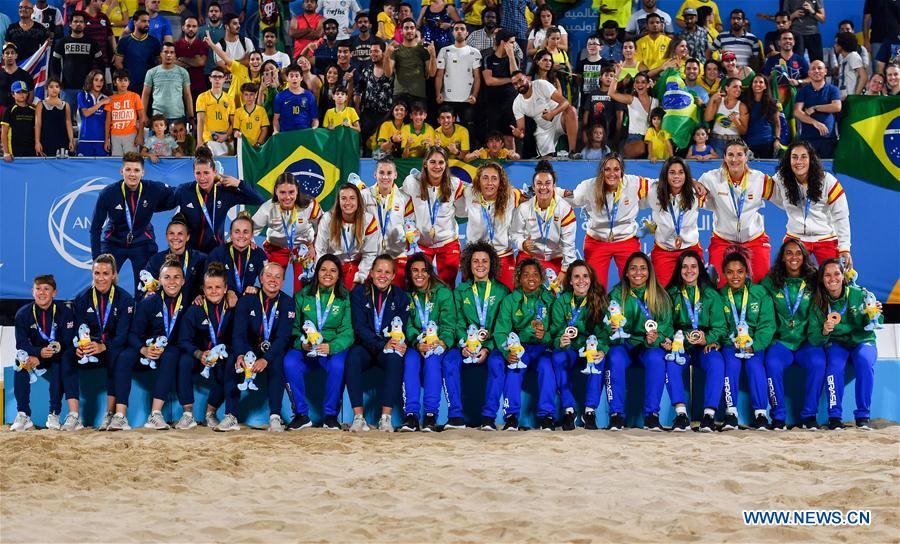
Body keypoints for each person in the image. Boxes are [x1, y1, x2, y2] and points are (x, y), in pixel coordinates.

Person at [61, 254, 135, 431]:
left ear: (113, 275)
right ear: (92, 274)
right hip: (88, 350)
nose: (101, 278)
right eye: (97, 273)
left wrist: (103, 346)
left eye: (105, 273)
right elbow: (75, 330)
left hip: (111, 347)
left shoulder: (125, 299)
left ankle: (111, 415)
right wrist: (78, 347)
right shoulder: (81, 298)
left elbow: (123, 335)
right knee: (66, 356)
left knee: (119, 356)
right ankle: (74, 416)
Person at [808, 259, 882, 431]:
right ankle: (834, 417)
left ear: (843, 276)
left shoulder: (860, 294)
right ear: (822, 279)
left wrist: (875, 313)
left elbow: (878, 321)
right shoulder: (818, 302)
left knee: (864, 361)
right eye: (827, 275)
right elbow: (813, 338)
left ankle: (863, 416)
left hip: (863, 340)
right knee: (834, 367)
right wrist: (824, 331)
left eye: (836, 273)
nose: (832, 278)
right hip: (837, 343)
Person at [759, 239, 825, 431]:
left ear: (805, 257)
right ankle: (778, 417)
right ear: (782, 257)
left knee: (818, 363)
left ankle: (809, 416)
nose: (793, 257)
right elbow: (756, 297)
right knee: (772, 364)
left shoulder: (814, 280)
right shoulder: (771, 282)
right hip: (781, 342)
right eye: (789, 253)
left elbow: (835, 291)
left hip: (807, 342)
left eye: (798, 253)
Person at [114, 256, 186, 430]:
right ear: (159, 280)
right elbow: (132, 334)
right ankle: (120, 415)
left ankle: (155, 415)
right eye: (167, 277)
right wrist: (143, 349)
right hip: (146, 350)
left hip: (170, 349)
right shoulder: (149, 302)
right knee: (124, 357)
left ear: (183, 281)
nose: (172, 282)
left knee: (171, 355)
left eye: (176, 277)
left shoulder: (190, 302)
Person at [283, 255, 353, 430]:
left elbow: (348, 332)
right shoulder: (302, 295)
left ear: (338, 275)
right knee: (290, 362)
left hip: (331, 347)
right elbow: (294, 328)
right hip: (307, 348)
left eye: (333, 271)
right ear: (316, 272)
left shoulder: (344, 297)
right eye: (323, 270)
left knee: (337, 366)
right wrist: (302, 344)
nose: (327, 274)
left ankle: (330, 416)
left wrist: (332, 347)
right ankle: (301, 414)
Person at [90, 152, 177, 293]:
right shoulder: (108, 193)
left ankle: (142, 313)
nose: (132, 174)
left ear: (143, 172)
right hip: (114, 242)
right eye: (128, 170)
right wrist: (96, 260)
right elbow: (95, 228)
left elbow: (177, 194)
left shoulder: (153, 188)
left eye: (136, 170)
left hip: (142, 242)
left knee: (147, 288)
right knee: (102, 283)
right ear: (121, 171)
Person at [605, 252, 673, 431]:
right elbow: (604, 323)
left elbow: (667, 326)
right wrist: (610, 328)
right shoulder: (616, 294)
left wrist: (656, 337)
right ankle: (616, 415)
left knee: (657, 358)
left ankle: (652, 415)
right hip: (624, 345)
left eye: (643, 268)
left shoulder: (660, 296)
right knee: (615, 357)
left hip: (648, 346)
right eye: (633, 268)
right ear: (626, 272)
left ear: (649, 272)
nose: (638, 272)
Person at [346, 255, 411, 432]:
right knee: (353, 357)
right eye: (379, 271)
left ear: (393, 276)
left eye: (387, 272)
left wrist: (401, 343)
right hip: (366, 346)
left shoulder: (401, 297)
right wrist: (383, 343)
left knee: (395, 358)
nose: (382, 275)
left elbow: (403, 327)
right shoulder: (359, 293)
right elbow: (359, 327)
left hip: (386, 348)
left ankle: (385, 418)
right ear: (371, 273)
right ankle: (358, 418)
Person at [696, 139, 774, 286]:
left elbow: (783, 197)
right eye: (730, 155)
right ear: (724, 157)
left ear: (746, 156)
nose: (734, 159)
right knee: (718, 284)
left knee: (763, 284)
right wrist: (693, 183)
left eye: (739, 155)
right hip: (723, 239)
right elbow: (695, 197)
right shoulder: (711, 178)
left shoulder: (759, 179)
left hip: (754, 239)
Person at [490, 258, 555, 431]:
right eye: (526, 275)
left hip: (543, 348)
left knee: (547, 368)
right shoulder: (511, 300)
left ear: (541, 278)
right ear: (519, 278)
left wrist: (546, 335)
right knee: (514, 367)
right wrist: (507, 352)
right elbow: (501, 331)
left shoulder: (550, 299)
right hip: (521, 347)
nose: (531, 278)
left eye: (535, 274)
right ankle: (511, 416)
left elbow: (558, 329)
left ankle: (546, 416)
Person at [665, 250, 727, 433]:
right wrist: (675, 340)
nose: (689, 271)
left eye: (693, 266)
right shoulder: (671, 294)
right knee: (672, 362)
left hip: (703, 347)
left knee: (716, 361)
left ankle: (708, 416)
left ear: (700, 269)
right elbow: (666, 325)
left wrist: (707, 338)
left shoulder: (711, 295)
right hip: (681, 346)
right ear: (679, 270)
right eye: (684, 267)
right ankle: (681, 415)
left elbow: (720, 327)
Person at [231, 262, 296, 432]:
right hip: (248, 348)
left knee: (277, 363)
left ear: (283, 281)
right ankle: (230, 415)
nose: (273, 280)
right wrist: (240, 355)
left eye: (278, 277)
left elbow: (283, 338)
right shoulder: (247, 300)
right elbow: (238, 333)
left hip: (273, 350)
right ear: (260, 278)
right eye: (268, 276)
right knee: (233, 363)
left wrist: (266, 359)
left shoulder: (288, 303)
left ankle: (275, 417)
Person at [570, 153, 650, 289]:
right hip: (597, 241)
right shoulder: (589, 186)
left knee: (636, 284)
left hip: (627, 240)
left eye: (616, 169)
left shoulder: (634, 183)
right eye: (607, 169)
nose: (612, 174)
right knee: (595, 288)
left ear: (622, 171)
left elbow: (660, 186)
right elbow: (569, 197)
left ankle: (633, 310)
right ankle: (597, 311)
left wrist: (691, 183)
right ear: (602, 170)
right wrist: (540, 192)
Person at [544, 259, 608, 431]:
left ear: (591, 279)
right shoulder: (561, 302)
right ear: (570, 281)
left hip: (588, 350)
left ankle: (590, 411)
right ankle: (569, 410)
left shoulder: (599, 301)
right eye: (577, 277)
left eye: (585, 276)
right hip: (571, 350)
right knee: (558, 356)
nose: (581, 281)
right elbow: (555, 332)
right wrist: (560, 341)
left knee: (597, 358)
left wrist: (601, 348)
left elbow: (604, 333)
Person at [399, 253, 459, 432]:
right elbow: (407, 324)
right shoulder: (407, 296)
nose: (419, 274)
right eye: (415, 270)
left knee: (432, 362)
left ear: (430, 273)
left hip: (438, 344)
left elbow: (449, 325)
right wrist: (417, 342)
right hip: (417, 345)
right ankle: (411, 415)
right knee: (410, 361)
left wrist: (442, 342)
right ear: (409, 274)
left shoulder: (443, 293)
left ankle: (430, 416)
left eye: (424, 271)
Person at [718, 247, 775, 431]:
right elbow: (718, 324)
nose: (735, 276)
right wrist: (730, 341)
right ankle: (731, 413)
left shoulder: (759, 293)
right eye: (730, 272)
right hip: (730, 345)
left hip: (753, 345)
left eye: (740, 272)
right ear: (724, 274)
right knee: (731, 366)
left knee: (755, 366)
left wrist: (754, 345)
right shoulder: (720, 296)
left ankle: (760, 414)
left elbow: (767, 324)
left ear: (747, 272)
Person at [769, 141, 851, 266]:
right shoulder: (781, 179)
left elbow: (841, 216)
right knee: (787, 278)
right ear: (789, 160)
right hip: (795, 237)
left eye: (803, 157)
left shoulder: (828, 181)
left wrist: (844, 248)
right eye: (794, 157)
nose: (799, 161)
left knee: (833, 276)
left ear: (811, 159)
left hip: (825, 238)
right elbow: (763, 189)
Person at [10, 274, 75, 432]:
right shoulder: (23, 314)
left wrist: (49, 353)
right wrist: (38, 353)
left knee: (61, 362)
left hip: (57, 355)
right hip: (35, 356)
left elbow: (67, 340)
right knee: (20, 364)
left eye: (46, 289)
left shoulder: (65, 312)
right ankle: (23, 415)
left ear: (55, 293)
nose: (42, 292)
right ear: (32, 292)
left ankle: (54, 414)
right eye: (38, 289)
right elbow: (21, 343)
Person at [176, 253, 233, 431]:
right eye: (209, 288)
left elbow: (239, 337)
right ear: (203, 289)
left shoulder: (233, 308)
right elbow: (183, 340)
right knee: (183, 361)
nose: (214, 291)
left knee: (229, 365)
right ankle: (187, 414)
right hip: (200, 356)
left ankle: (210, 414)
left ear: (226, 289)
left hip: (223, 355)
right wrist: (199, 354)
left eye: (218, 287)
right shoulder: (195, 309)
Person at [174, 147, 263, 254]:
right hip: (190, 253)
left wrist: (239, 183)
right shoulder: (184, 190)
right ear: (193, 173)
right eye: (198, 173)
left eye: (206, 173)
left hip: (215, 253)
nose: (202, 178)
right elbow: (163, 203)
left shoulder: (224, 192)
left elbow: (258, 199)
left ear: (214, 172)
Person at [401, 146, 467, 285]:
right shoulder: (411, 182)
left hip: (447, 242)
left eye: (441, 162)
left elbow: (462, 212)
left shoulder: (455, 184)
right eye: (433, 162)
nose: (437, 166)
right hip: (420, 242)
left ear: (446, 164)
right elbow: (402, 208)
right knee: (418, 284)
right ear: (425, 163)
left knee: (448, 285)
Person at [251, 173, 321, 294]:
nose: (287, 197)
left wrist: (314, 246)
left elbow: (323, 227)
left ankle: (300, 311)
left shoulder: (309, 205)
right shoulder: (268, 208)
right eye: (282, 192)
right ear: (276, 191)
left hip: (303, 248)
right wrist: (250, 242)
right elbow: (250, 229)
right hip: (276, 248)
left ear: (297, 191)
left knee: (303, 287)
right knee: (271, 284)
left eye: (291, 192)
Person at [644, 157, 704, 287]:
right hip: (664, 250)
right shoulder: (654, 190)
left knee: (694, 290)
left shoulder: (696, 192)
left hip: (690, 249)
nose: (676, 176)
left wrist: (694, 182)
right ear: (665, 174)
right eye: (672, 172)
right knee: (664, 291)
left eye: (681, 172)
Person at [510, 160, 576, 278]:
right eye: (539, 183)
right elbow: (515, 234)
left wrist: (565, 271)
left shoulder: (565, 210)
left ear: (554, 186)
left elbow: (569, 245)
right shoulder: (524, 208)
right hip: (529, 257)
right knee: (525, 288)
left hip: (556, 258)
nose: (543, 187)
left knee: (555, 292)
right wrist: (523, 244)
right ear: (533, 187)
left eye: (547, 183)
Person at [461, 162, 520, 289]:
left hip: (502, 256)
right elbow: (447, 183)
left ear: (500, 182)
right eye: (485, 178)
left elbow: (539, 193)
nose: (489, 183)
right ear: (478, 180)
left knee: (508, 298)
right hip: (475, 258)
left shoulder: (511, 196)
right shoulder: (469, 192)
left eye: (494, 178)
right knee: (470, 299)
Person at [357, 157, 414, 286]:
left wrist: (411, 234)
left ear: (395, 175)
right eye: (381, 173)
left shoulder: (405, 198)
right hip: (371, 255)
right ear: (375, 174)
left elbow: (410, 224)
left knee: (396, 297)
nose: (385, 177)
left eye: (389, 173)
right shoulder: (363, 196)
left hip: (397, 255)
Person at [315, 182, 379, 290]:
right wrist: (324, 274)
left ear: (358, 201)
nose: (348, 202)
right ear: (338, 201)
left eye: (352, 198)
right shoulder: (327, 219)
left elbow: (370, 254)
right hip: (332, 266)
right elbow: (320, 250)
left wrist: (360, 277)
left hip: (357, 267)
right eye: (343, 198)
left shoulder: (368, 220)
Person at [509, 70, 579, 159]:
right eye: (515, 84)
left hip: (558, 118)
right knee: (545, 161)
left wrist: (552, 114)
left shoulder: (541, 84)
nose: (519, 85)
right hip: (543, 129)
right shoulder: (517, 103)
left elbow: (565, 102)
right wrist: (519, 134)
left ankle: (572, 152)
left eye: (521, 80)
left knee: (571, 110)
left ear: (527, 78)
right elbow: (521, 130)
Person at [207, 212, 268, 307]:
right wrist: (226, 291)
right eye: (237, 232)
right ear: (231, 234)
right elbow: (208, 282)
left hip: (247, 302)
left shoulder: (259, 254)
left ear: (251, 235)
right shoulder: (218, 253)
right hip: (222, 301)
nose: (241, 236)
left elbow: (268, 283)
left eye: (245, 232)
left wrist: (256, 289)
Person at [51, 11, 103, 123]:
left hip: (87, 89)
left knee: (87, 120)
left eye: (81, 22)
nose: (78, 24)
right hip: (67, 88)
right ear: (70, 24)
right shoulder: (62, 43)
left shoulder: (92, 43)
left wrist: (97, 84)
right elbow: (54, 64)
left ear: (84, 24)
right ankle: (69, 141)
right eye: (75, 21)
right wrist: (57, 83)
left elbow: (100, 64)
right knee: (66, 120)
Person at [142, 213, 207, 301]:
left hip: (191, 309)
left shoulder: (200, 259)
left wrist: (202, 296)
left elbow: (209, 286)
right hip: (164, 310)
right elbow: (144, 288)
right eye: (171, 233)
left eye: (180, 233)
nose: (175, 237)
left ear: (187, 237)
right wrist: (147, 294)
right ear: (166, 236)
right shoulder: (156, 260)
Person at [435, 21, 481, 139]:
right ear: (453, 32)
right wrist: (438, 94)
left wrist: (474, 95)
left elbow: (477, 77)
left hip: (467, 99)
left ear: (467, 33)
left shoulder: (475, 52)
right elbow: (439, 75)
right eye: (456, 29)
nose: (459, 31)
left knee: (469, 129)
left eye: (462, 29)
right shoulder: (444, 51)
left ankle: (469, 154)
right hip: (447, 98)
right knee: (446, 128)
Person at [793, 60, 841, 159]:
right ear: (809, 73)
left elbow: (836, 107)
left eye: (819, 68)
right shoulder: (803, 91)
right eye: (813, 69)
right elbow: (797, 112)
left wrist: (815, 108)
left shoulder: (833, 89)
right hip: (808, 140)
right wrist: (815, 123)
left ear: (825, 71)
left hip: (828, 139)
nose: (816, 71)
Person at [481, 30, 520, 149]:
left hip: (510, 104)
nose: (515, 45)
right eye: (512, 42)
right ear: (503, 43)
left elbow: (517, 78)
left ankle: (512, 166)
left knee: (509, 138)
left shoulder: (515, 59)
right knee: (493, 140)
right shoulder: (488, 59)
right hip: (493, 105)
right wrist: (509, 80)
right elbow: (489, 81)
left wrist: (511, 56)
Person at [608, 68, 658, 159]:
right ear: (634, 85)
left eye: (643, 82)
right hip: (634, 139)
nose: (640, 85)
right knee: (641, 147)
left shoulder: (656, 102)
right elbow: (611, 93)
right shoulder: (631, 99)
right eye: (637, 82)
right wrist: (616, 76)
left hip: (652, 138)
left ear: (648, 85)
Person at [384, 18, 437, 102]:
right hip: (399, 95)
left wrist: (433, 56)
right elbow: (387, 74)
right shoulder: (395, 50)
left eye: (412, 28)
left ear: (415, 30)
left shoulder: (424, 50)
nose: (409, 30)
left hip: (418, 95)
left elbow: (432, 73)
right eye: (406, 28)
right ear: (401, 31)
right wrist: (386, 56)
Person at [355, 41, 394, 152]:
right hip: (367, 114)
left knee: (382, 146)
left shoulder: (391, 71)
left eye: (376, 51)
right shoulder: (366, 71)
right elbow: (358, 91)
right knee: (365, 145)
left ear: (383, 53)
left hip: (385, 114)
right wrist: (358, 109)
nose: (373, 54)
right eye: (371, 51)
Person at [141, 42, 193, 124]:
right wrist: (143, 115)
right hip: (157, 118)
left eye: (172, 52)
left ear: (175, 55)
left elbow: (187, 95)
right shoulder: (151, 72)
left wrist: (191, 117)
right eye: (166, 52)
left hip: (178, 116)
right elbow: (145, 94)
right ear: (161, 54)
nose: (169, 55)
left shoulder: (183, 72)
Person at [115, 10, 163, 93]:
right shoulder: (124, 41)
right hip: (129, 87)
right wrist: (126, 80)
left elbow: (160, 63)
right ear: (135, 22)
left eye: (148, 21)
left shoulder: (154, 42)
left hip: (148, 87)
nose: (147, 24)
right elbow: (118, 63)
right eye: (144, 21)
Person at [704, 77, 748, 156]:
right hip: (716, 141)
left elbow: (743, 131)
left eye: (740, 87)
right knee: (717, 167)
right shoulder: (719, 101)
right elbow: (707, 118)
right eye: (735, 86)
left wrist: (736, 121)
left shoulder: (742, 106)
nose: (738, 89)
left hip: (734, 142)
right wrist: (712, 99)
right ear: (727, 88)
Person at [195, 66, 234, 155]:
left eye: (220, 77)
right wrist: (199, 142)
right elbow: (200, 121)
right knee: (220, 159)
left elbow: (233, 123)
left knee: (227, 165)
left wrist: (226, 135)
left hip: (226, 138)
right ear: (210, 78)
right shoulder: (202, 97)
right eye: (214, 76)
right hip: (209, 138)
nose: (217, 79)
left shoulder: (229, 99)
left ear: (224, 79)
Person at [105, 69, 145, 156]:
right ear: (115, 83)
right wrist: (106, 139)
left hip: (131, 135)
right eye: (120, 80)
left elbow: (142, 117)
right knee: (116, 162)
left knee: (132, 160)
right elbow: (108, 121)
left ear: (129, 82)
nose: (123, 83)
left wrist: (140, 134)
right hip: (115, 135)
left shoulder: (135, 96)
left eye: (125, 80)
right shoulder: (110, 99)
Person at [742, 74, 781, 159]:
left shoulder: (772, 102)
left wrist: (777, 139)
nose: (757, 84)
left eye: (761, 82)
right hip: (748, 144)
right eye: (755, 82)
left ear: (765, 86)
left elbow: (777, 124)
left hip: (766, 143)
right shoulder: (744, 101)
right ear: (751, 85)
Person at [35, 78, 75, 158]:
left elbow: (68, 123)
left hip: (62, 140)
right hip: (46, 140)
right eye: (51, 87)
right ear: (47, 89)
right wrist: (37, 142)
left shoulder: (66, 105)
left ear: (60, 89)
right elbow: (38, 124)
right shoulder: (40, 105)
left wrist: (71, 140)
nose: (54, 89)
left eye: (57, 86)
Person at [273, 63, 319, 132]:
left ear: (301, 78)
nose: (294, 78)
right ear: (287, 78)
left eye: (297, 76)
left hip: (304, 135)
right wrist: (276, 131)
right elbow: (276, 119)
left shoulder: (309, 96)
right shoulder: (280, 96)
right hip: (286, 135)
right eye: (291, 76)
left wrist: (314, 129)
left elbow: (315, 119)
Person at [174, 16, 209, 100]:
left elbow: (200, 62)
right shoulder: (176, 45)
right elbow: (173, 63)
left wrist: (182, 59)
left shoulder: (203, 45)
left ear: (197, 28)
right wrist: (193, 62)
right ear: (183, 28)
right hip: (180, 87)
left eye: (194, 26)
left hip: (198, 87)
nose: (191, 29)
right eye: (188, 26)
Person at [76, 69, 109, 156]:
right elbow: (86, 113)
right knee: (83, 169)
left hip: (101, 141)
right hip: (85, 139)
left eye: (101, 80)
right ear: (91, 81)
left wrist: (107, 140)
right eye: (96, 80)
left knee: (102, 168)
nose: (99, 83)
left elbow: (107, 122)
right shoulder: (82, 95)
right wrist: (101, 103)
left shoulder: (106, 98)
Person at [1, 81, 36, 161]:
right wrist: (6, 152)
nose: (22, 94)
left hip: (31, 150)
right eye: (18, 92)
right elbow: (4, 133)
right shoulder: (9, 110)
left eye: (24, 92)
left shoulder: (33, 110)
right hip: (13, 151)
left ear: (27, 94)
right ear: (13, 94)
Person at [833, 32, 869, 99]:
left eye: (836, 43)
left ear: (843, 45)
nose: (835, 45)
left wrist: (855, 96)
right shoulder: (843, 58)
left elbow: (864, 76)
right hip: (843, 96)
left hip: (851, 97)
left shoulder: (853, 56)